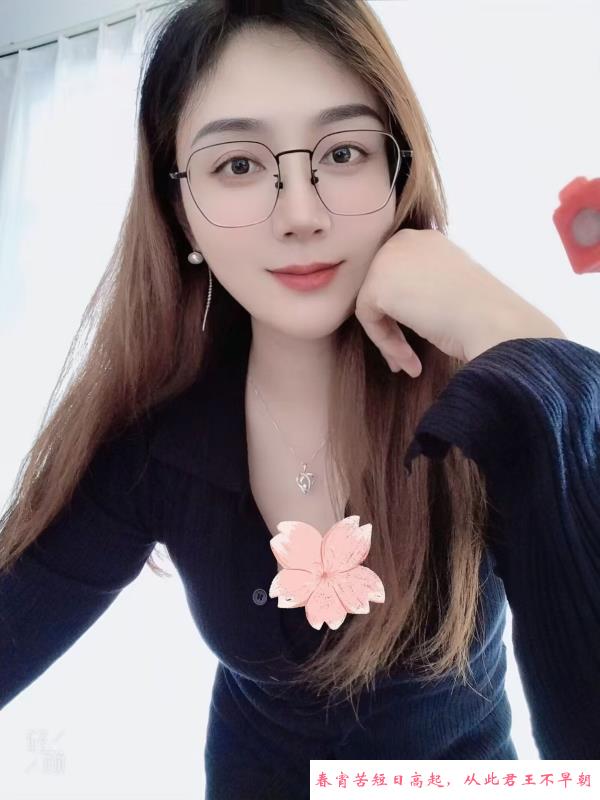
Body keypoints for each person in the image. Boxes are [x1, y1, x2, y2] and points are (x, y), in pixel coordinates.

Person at [1, 1, 599, 797]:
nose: (301, 215)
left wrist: (513, 335)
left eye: (343, 151)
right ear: (180, 211)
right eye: (238, 166)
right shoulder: (153, 449)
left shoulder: (487, 408)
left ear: (398, 172)